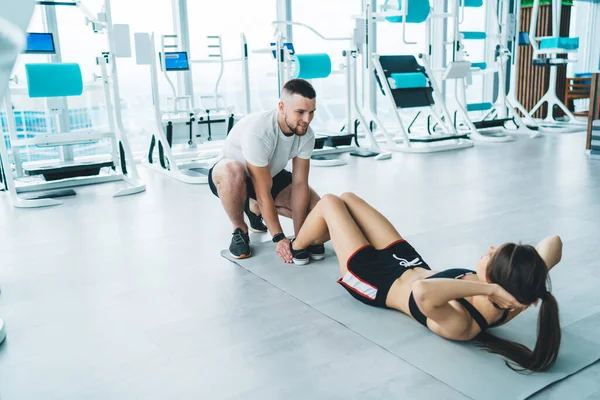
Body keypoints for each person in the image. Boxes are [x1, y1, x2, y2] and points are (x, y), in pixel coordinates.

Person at [288, 192, 563, 372]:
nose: (490, 248)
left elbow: (422, 291)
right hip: (409, 262)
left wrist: (488, 288)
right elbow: (554, 242)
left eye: (492, 255)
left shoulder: (463, 323)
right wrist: (535, 273)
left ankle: (297, 246)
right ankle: (319, 236)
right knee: (347, 198)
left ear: (494, 278)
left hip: (374, 279)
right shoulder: (516, 294)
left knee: (329, 203)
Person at [208, 79, 323, 263]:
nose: (307, 120)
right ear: (281, 106)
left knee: (316, 208)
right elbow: (263, 192)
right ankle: (239, 229)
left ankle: (254, 209)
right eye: (300, 112)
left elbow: (300, 184)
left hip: (268, 174)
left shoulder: (306, 134)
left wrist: (300, 239)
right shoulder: (259, 131)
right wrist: (278, 237)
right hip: (232, 176)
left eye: (311, 112)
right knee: (232, 171)